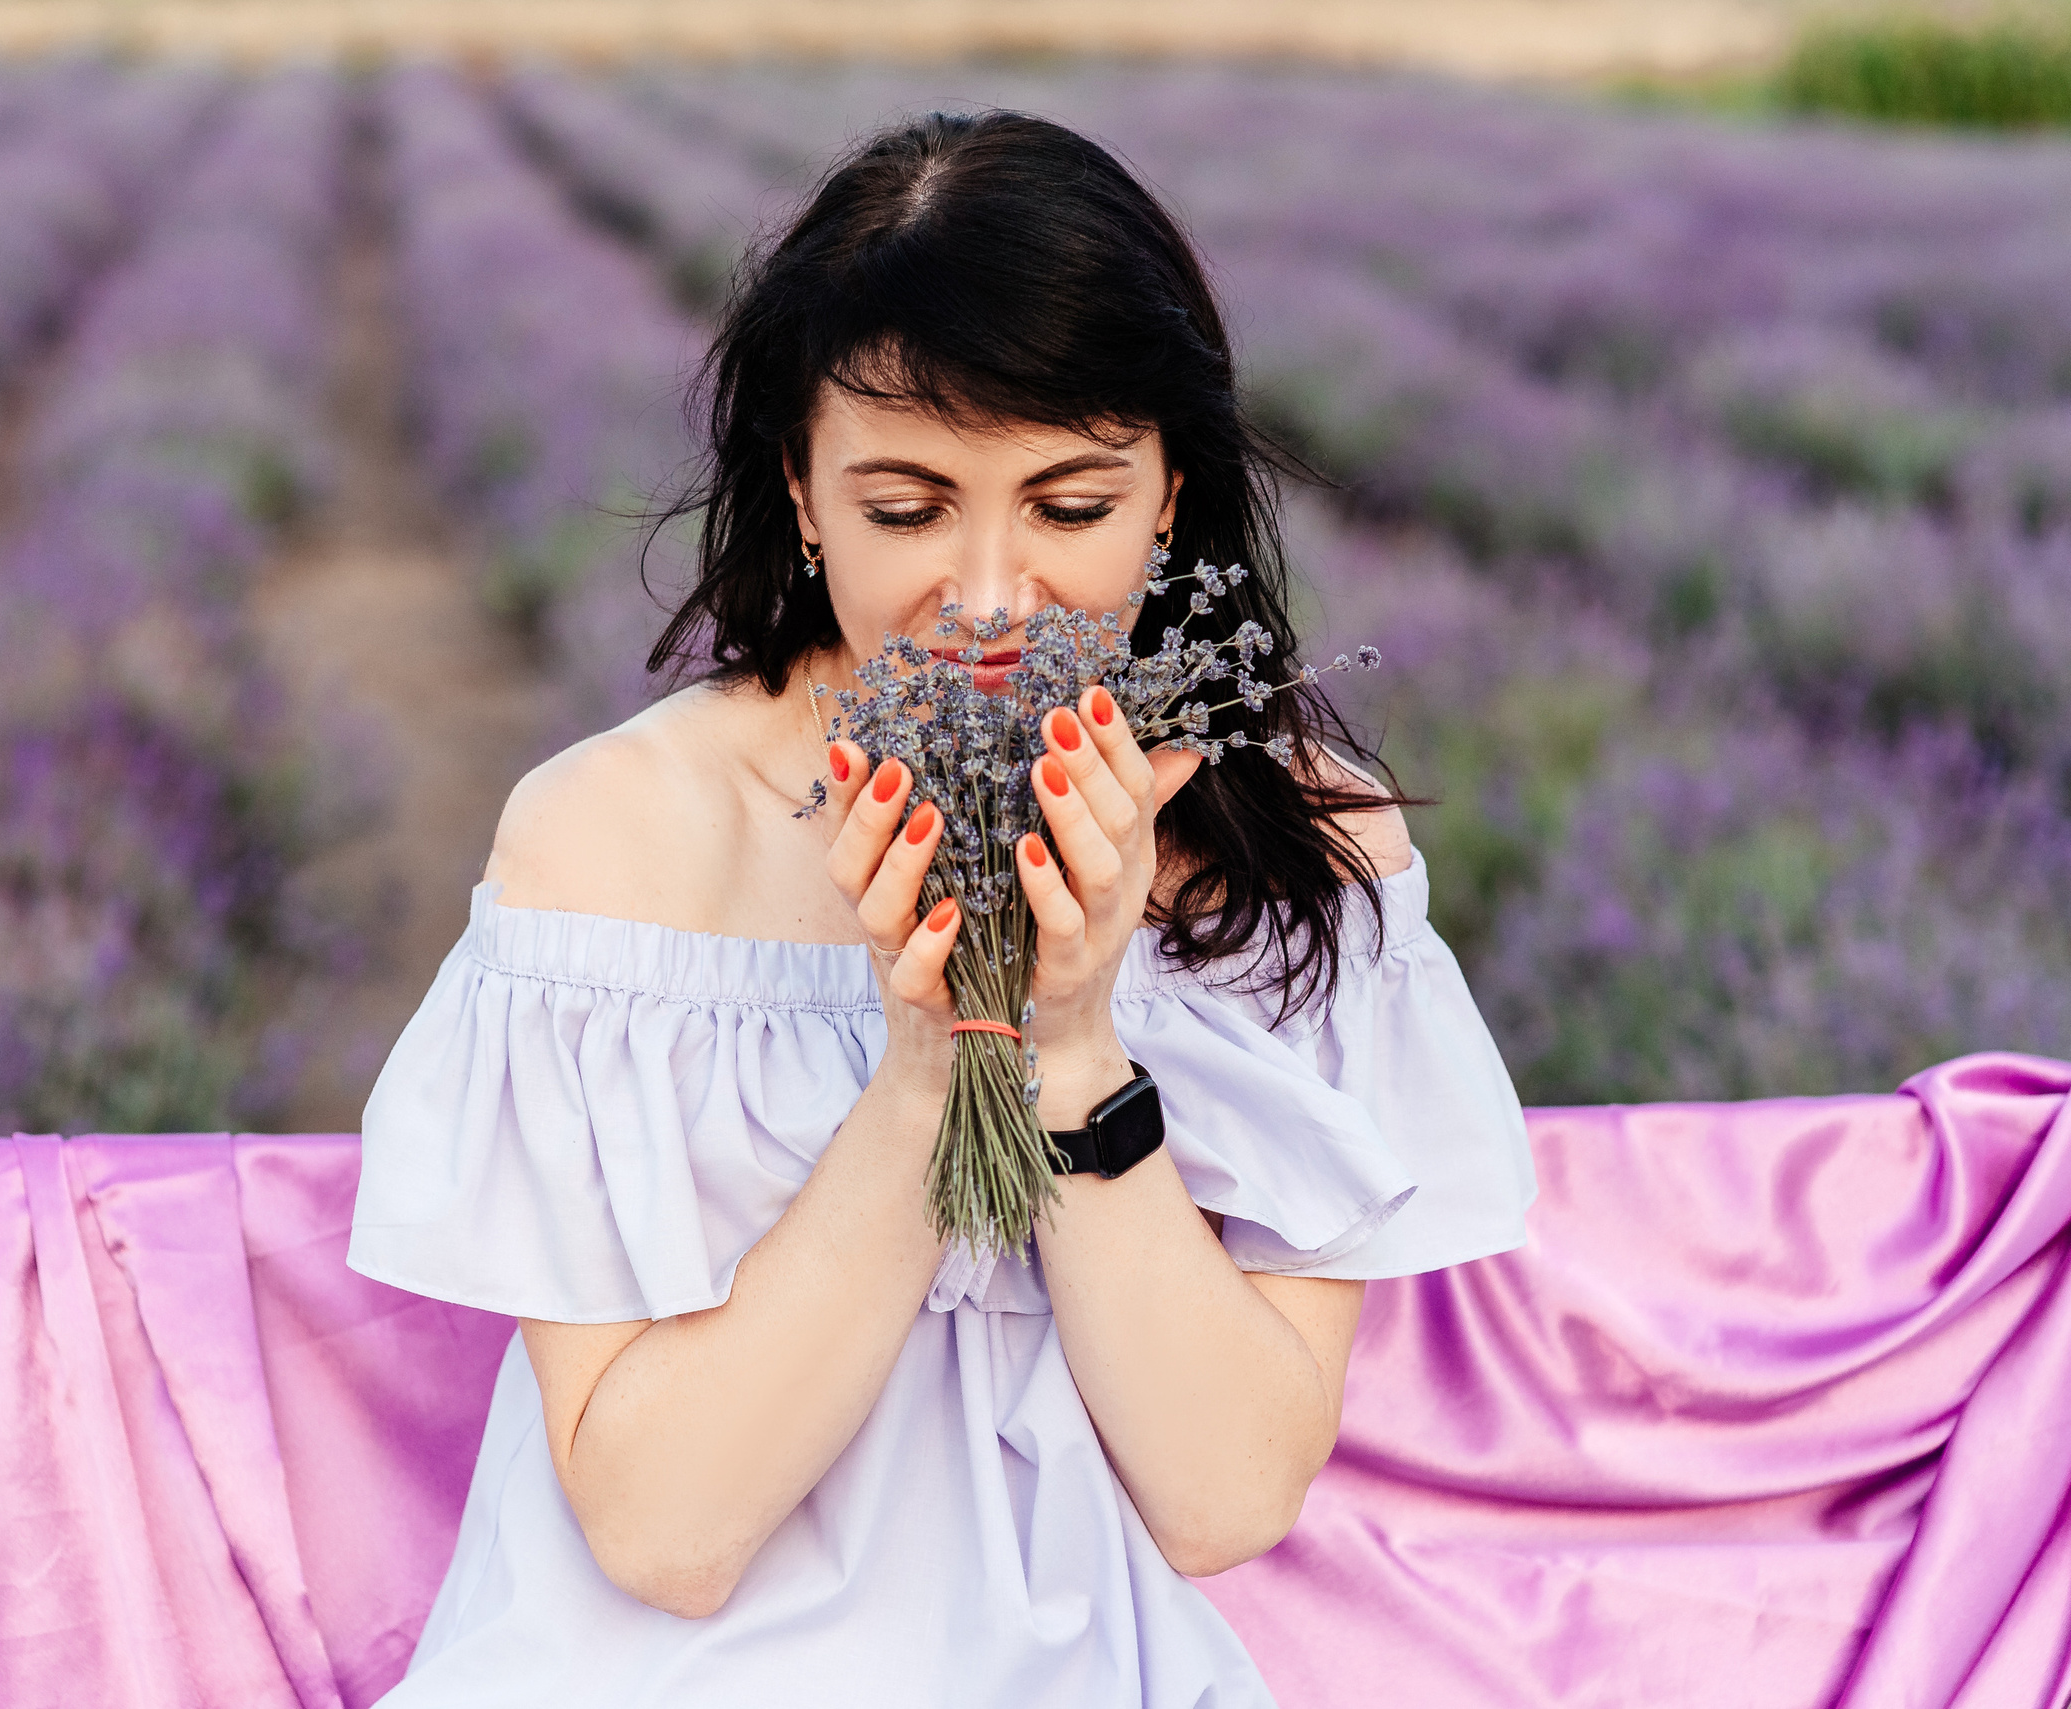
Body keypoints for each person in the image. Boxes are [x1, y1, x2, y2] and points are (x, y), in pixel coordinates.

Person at [347, 108, 1535, 1707]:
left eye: (1069, 507)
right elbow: (666, 1531)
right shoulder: (618, 841)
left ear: (1170, 493)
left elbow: (1226, 1495)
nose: (989, 599)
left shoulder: (1299, 850)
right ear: (803, 487)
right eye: (908, 510)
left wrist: (1067, 1039)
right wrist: (926, 1063)